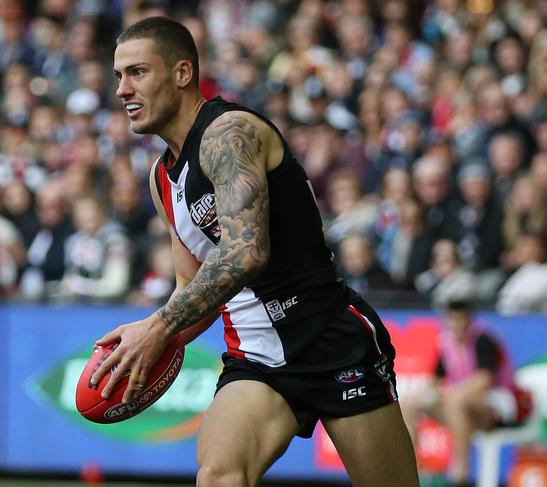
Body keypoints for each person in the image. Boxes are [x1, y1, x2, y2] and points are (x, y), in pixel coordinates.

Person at [90, 17, 418, 487]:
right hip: (254, 356)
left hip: (328, 337)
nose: (122, 89)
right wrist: (153, 341)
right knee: (219, 475)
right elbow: (191, 285)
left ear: (183, 73)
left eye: (137, 72)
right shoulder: (161, 179)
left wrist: (158, 327)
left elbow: (246, 253)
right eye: (118, 75)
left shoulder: (230, 133)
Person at [402, 300, 532, 487]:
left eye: (461, 320)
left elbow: (484, 380)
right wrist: (425, 395)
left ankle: (459, 476)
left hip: (495, 407)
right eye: (453, 320)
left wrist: (450, 394)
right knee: (409, 403)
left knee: (457, 401)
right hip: (462, 408)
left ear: (469, 319)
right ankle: (412, 472)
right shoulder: (446, 341)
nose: (457, 325)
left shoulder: (483, 339)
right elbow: (435, 380)